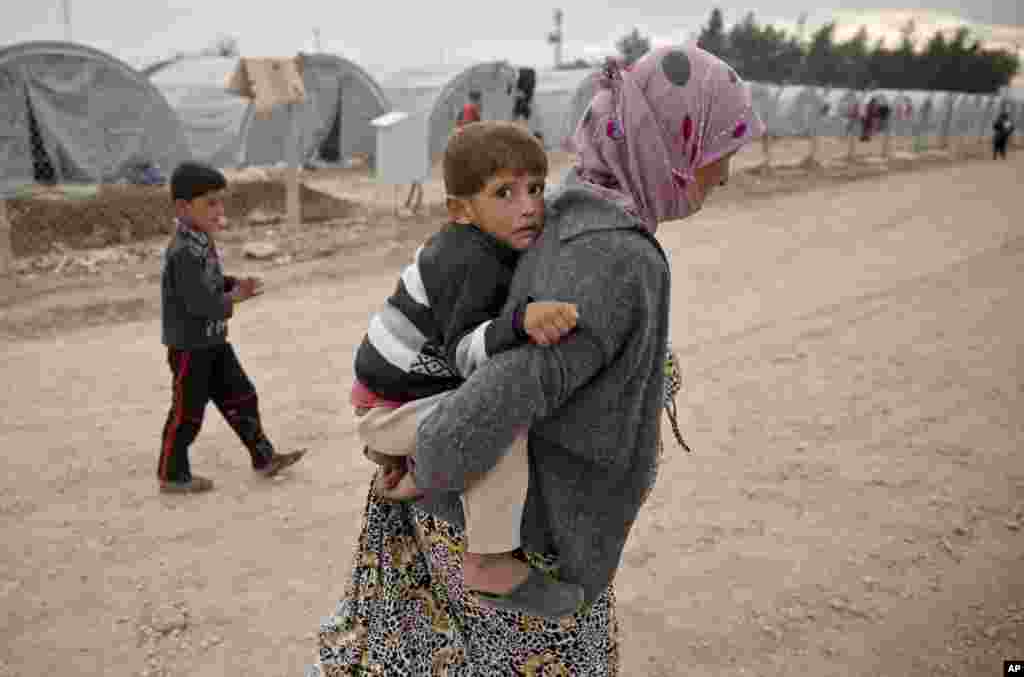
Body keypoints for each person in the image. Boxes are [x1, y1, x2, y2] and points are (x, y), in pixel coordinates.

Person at [309, 44, 765, 676]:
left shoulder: (571, 206)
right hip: (522, 534)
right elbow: (507, 384)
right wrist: (429, 462)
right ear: (666, 143)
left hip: (476, 502)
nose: (724, 174)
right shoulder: (612, 257)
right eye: (718, 152)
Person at [350, 121, 584, 618]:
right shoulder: (468, 260)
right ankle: (490, 561)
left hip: (401, 399)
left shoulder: (492, 242)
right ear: (461, 210)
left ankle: (417, 468)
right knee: (502, 419)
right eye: (504, 192)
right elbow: (464, 354)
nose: (528, 206)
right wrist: (521, 322)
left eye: (536, 188)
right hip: (395, 407)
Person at [158, 161, 306, 494]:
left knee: (242, 395)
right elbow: (200, 303)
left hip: (213, 341)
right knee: (188, 413)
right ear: (182, 207)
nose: (218, 209)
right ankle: (171, 473)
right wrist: (236, 296)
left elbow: (209, 284)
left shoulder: (201, 240)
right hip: (189, 348)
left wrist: (233, 283)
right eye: (210, 202)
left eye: (219, 201)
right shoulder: (182, 251)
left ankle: (264, 457)